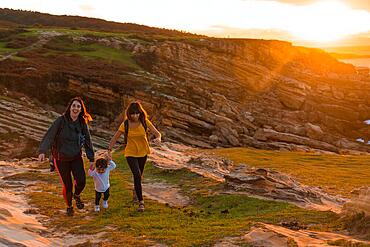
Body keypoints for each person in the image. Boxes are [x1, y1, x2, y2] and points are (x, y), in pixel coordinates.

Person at [38, 97, 95, 216]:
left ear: (81, 110)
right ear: (70, 107)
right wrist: (42, 151)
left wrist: (91, 159)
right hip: (61, 158)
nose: (75, 108)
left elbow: (88, 141)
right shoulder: (61, 121)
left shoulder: (82, 123)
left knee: (81, 181)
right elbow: (50, 135)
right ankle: (69, 207)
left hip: (76, 157)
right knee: (67, 185)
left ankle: (77, 195)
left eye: (78, 106)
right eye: (74, 106)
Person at [107, 101, 161, 212]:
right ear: (129, 114)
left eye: (137, 113)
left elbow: (157, 133)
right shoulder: (125, 124)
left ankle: (136, 191)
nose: (135, 116)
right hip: (130, 153)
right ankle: (141, 203)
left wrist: (158, 139)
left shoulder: (144, 121)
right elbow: (114, 138)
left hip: (143, 152)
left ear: (140, 113)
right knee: (136, 175)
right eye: (133, 113)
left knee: (139, 176)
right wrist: (109, 151)